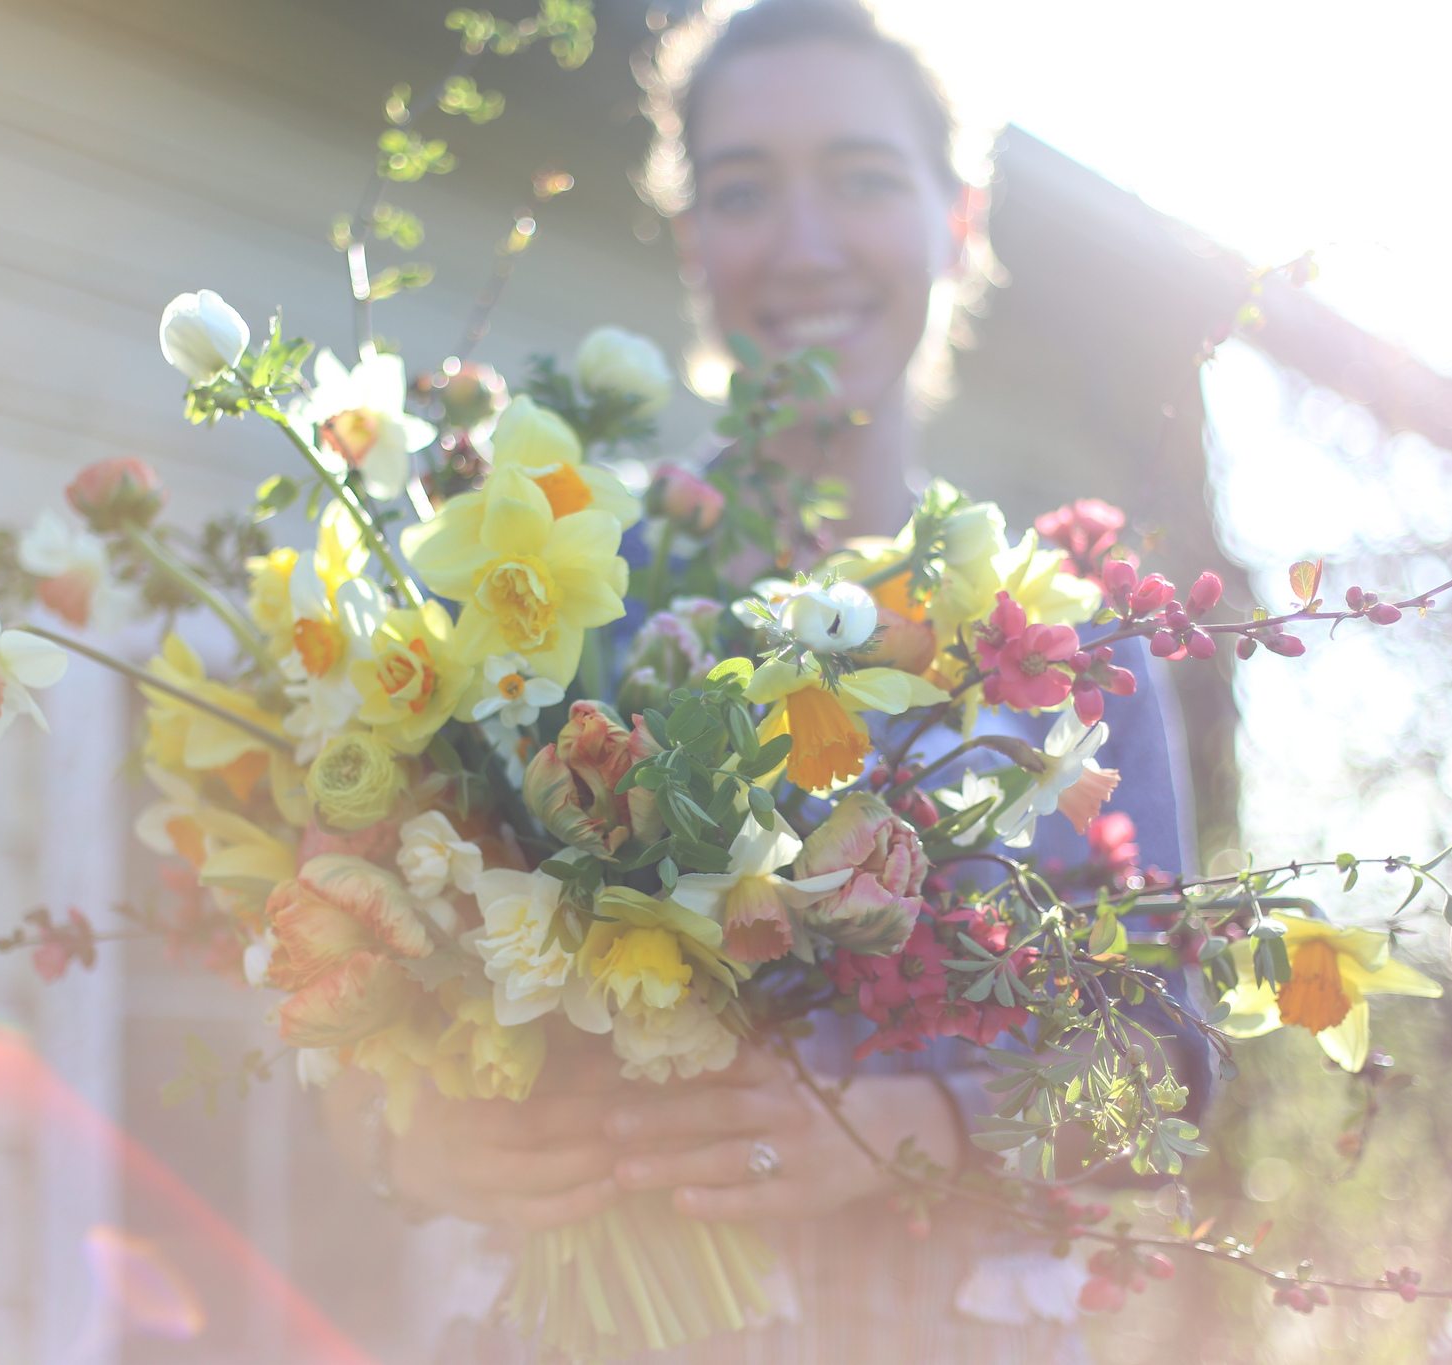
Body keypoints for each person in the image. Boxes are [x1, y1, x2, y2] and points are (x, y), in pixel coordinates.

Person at [327, 3, 1212, 1359]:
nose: (803, 243)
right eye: (743, 192)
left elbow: (1163, 1068)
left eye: (862, 179)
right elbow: (370, 1018)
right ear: (693, 245)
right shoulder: (553, 600)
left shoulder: (1067, 646)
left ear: (958, 220)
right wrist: (417, 1135)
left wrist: (906, 1126)